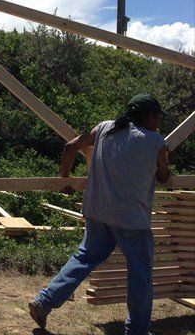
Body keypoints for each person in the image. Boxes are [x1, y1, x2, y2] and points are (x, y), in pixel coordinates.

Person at [29, 94, 171, 335]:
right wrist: (165, 159)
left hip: (98, 212)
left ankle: (45, 301)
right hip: (131, 220)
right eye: (158, 116)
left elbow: (70, 146)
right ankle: (137, 329)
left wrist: (65, 178)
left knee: (84, 258)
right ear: (149, 116)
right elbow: (164, 178)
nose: (159, 121)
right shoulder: (155, 141)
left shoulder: (105, 128)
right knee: (140, 275)